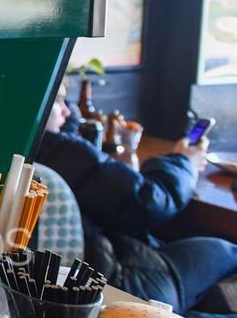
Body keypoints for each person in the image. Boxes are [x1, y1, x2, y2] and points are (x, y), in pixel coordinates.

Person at [36, 81, 236, 314]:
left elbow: (66, 124)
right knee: (227, 251)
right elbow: (150, 202)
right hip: (125, 280)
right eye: (59, 100)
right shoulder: (62, 152)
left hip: (112, 263)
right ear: (36, 104)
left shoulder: (34, 146)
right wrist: (184, 163)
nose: (67, 110)